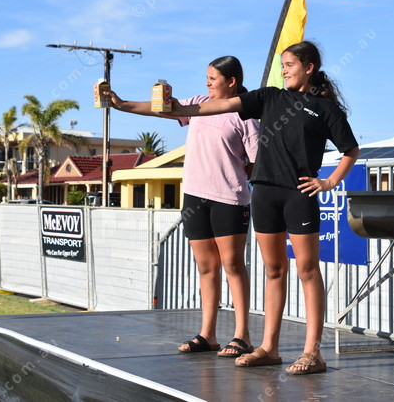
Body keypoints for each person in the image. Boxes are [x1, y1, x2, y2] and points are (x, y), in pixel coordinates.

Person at [169, 41, 360, 374]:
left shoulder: (325, 108)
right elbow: (219, 106)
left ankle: (313, 353)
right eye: (282, 65)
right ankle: (269, 348)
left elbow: (351, 150)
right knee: (274, 270)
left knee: (308, 270)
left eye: (289, 65)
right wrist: (172, 107)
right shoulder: (270, 97)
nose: (284, 71)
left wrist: (329, 182)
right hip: (264, 195)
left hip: (299, 195)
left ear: (309, 68)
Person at [108, 56, 260, 357]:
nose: (207, 83)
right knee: (206, 266)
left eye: (213, 78)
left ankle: (242, 336)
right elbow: (163, 108)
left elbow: (256, 162)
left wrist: (235, 177)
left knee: (232, 265)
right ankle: (208, 335)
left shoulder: (246, 116)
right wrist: (121, 104)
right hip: (194, 196)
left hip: (229, 199)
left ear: (231, 81)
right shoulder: (199, 104)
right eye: (207, 77)